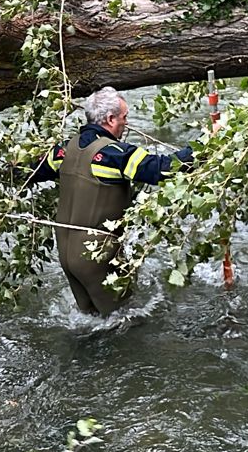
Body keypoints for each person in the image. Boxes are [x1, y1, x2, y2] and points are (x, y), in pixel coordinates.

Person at [29, 87, 193, 315]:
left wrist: (11, 167)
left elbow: (31, 171)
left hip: (66, 254)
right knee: (124, 322)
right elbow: (163, 169)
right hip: (95, 256)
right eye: (124, 117)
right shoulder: (113, 155)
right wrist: (205, 147)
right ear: (110, 118)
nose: (126, 123)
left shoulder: (65, 150)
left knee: (91, 321)